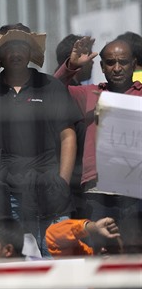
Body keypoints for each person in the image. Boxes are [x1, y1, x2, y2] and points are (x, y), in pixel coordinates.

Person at [0, 23, 83, 257]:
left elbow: (68, 135)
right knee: (9, 270)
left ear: (30, 52)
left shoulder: (51, 87)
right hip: (2, 195)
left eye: (22, 47)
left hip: (50, 191)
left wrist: (62, 182)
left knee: (58, 264)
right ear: (0, 55)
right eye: (9, 48)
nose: (16, 54)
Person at [54, 38, 142, 227]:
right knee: (101, 251)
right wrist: (71, 66)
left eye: (123, 62)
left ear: (134, 64)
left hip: (136, 189)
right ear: (102, 67)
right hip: (98, 190)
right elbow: (52, 90)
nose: (117, 68)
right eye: (110, 63)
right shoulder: (89, 94)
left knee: (134, 250)